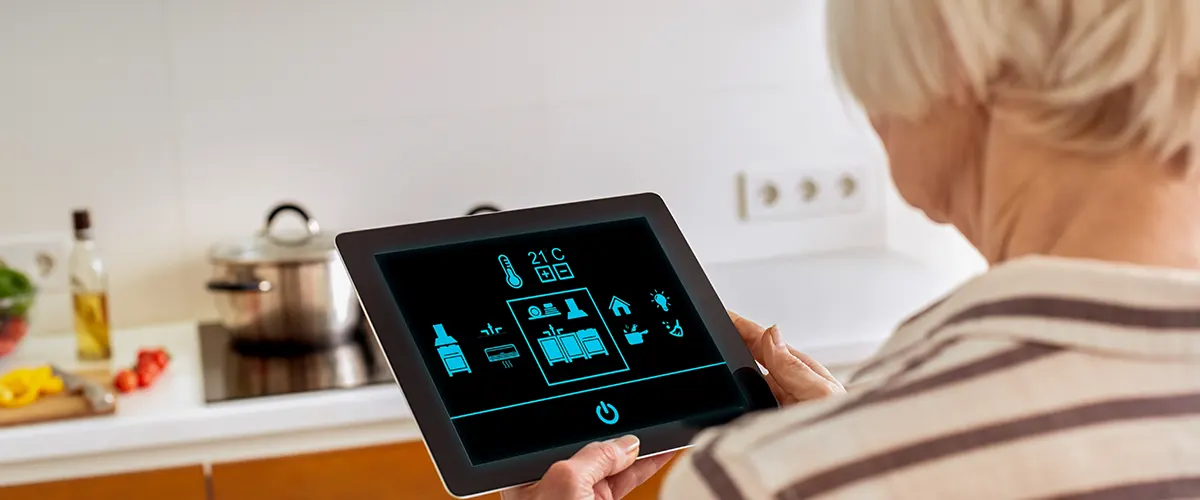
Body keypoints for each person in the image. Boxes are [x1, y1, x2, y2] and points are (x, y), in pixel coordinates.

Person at [505, 1, 1200, 498]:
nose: (875, 114)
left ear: (952, 57)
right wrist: (853, 425)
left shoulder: (771, 480)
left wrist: (840, 451)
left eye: (874, 76)